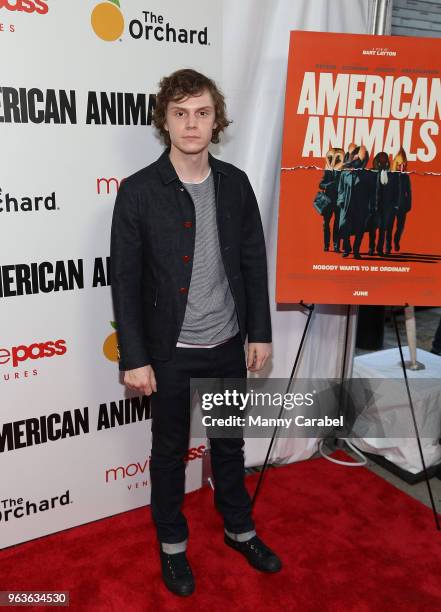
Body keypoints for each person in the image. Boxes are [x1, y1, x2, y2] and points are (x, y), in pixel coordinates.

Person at [110, 68, 281, 597]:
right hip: (168, 354)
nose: (192, 123)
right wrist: (134, 357)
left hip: (228, 344)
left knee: (229, 445)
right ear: (165, 120)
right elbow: (126, 283)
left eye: (202, 112)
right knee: (167, 452)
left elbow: (254, 260)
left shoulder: (236, 184)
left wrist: (260, 331)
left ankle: (239, 528)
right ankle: (172, 545)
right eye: (180, 113)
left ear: (216, 119)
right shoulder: (138, 192)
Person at [318, 147, 344, 252]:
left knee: (337, 224)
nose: (334, 161)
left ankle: (336, 246)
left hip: (338, 201)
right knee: (326, 224)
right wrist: (328, 185)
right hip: (328, 201)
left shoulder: (343, 171)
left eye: (337, 159)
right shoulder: (327, 171)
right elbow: (320, 184)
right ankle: (326, 245)